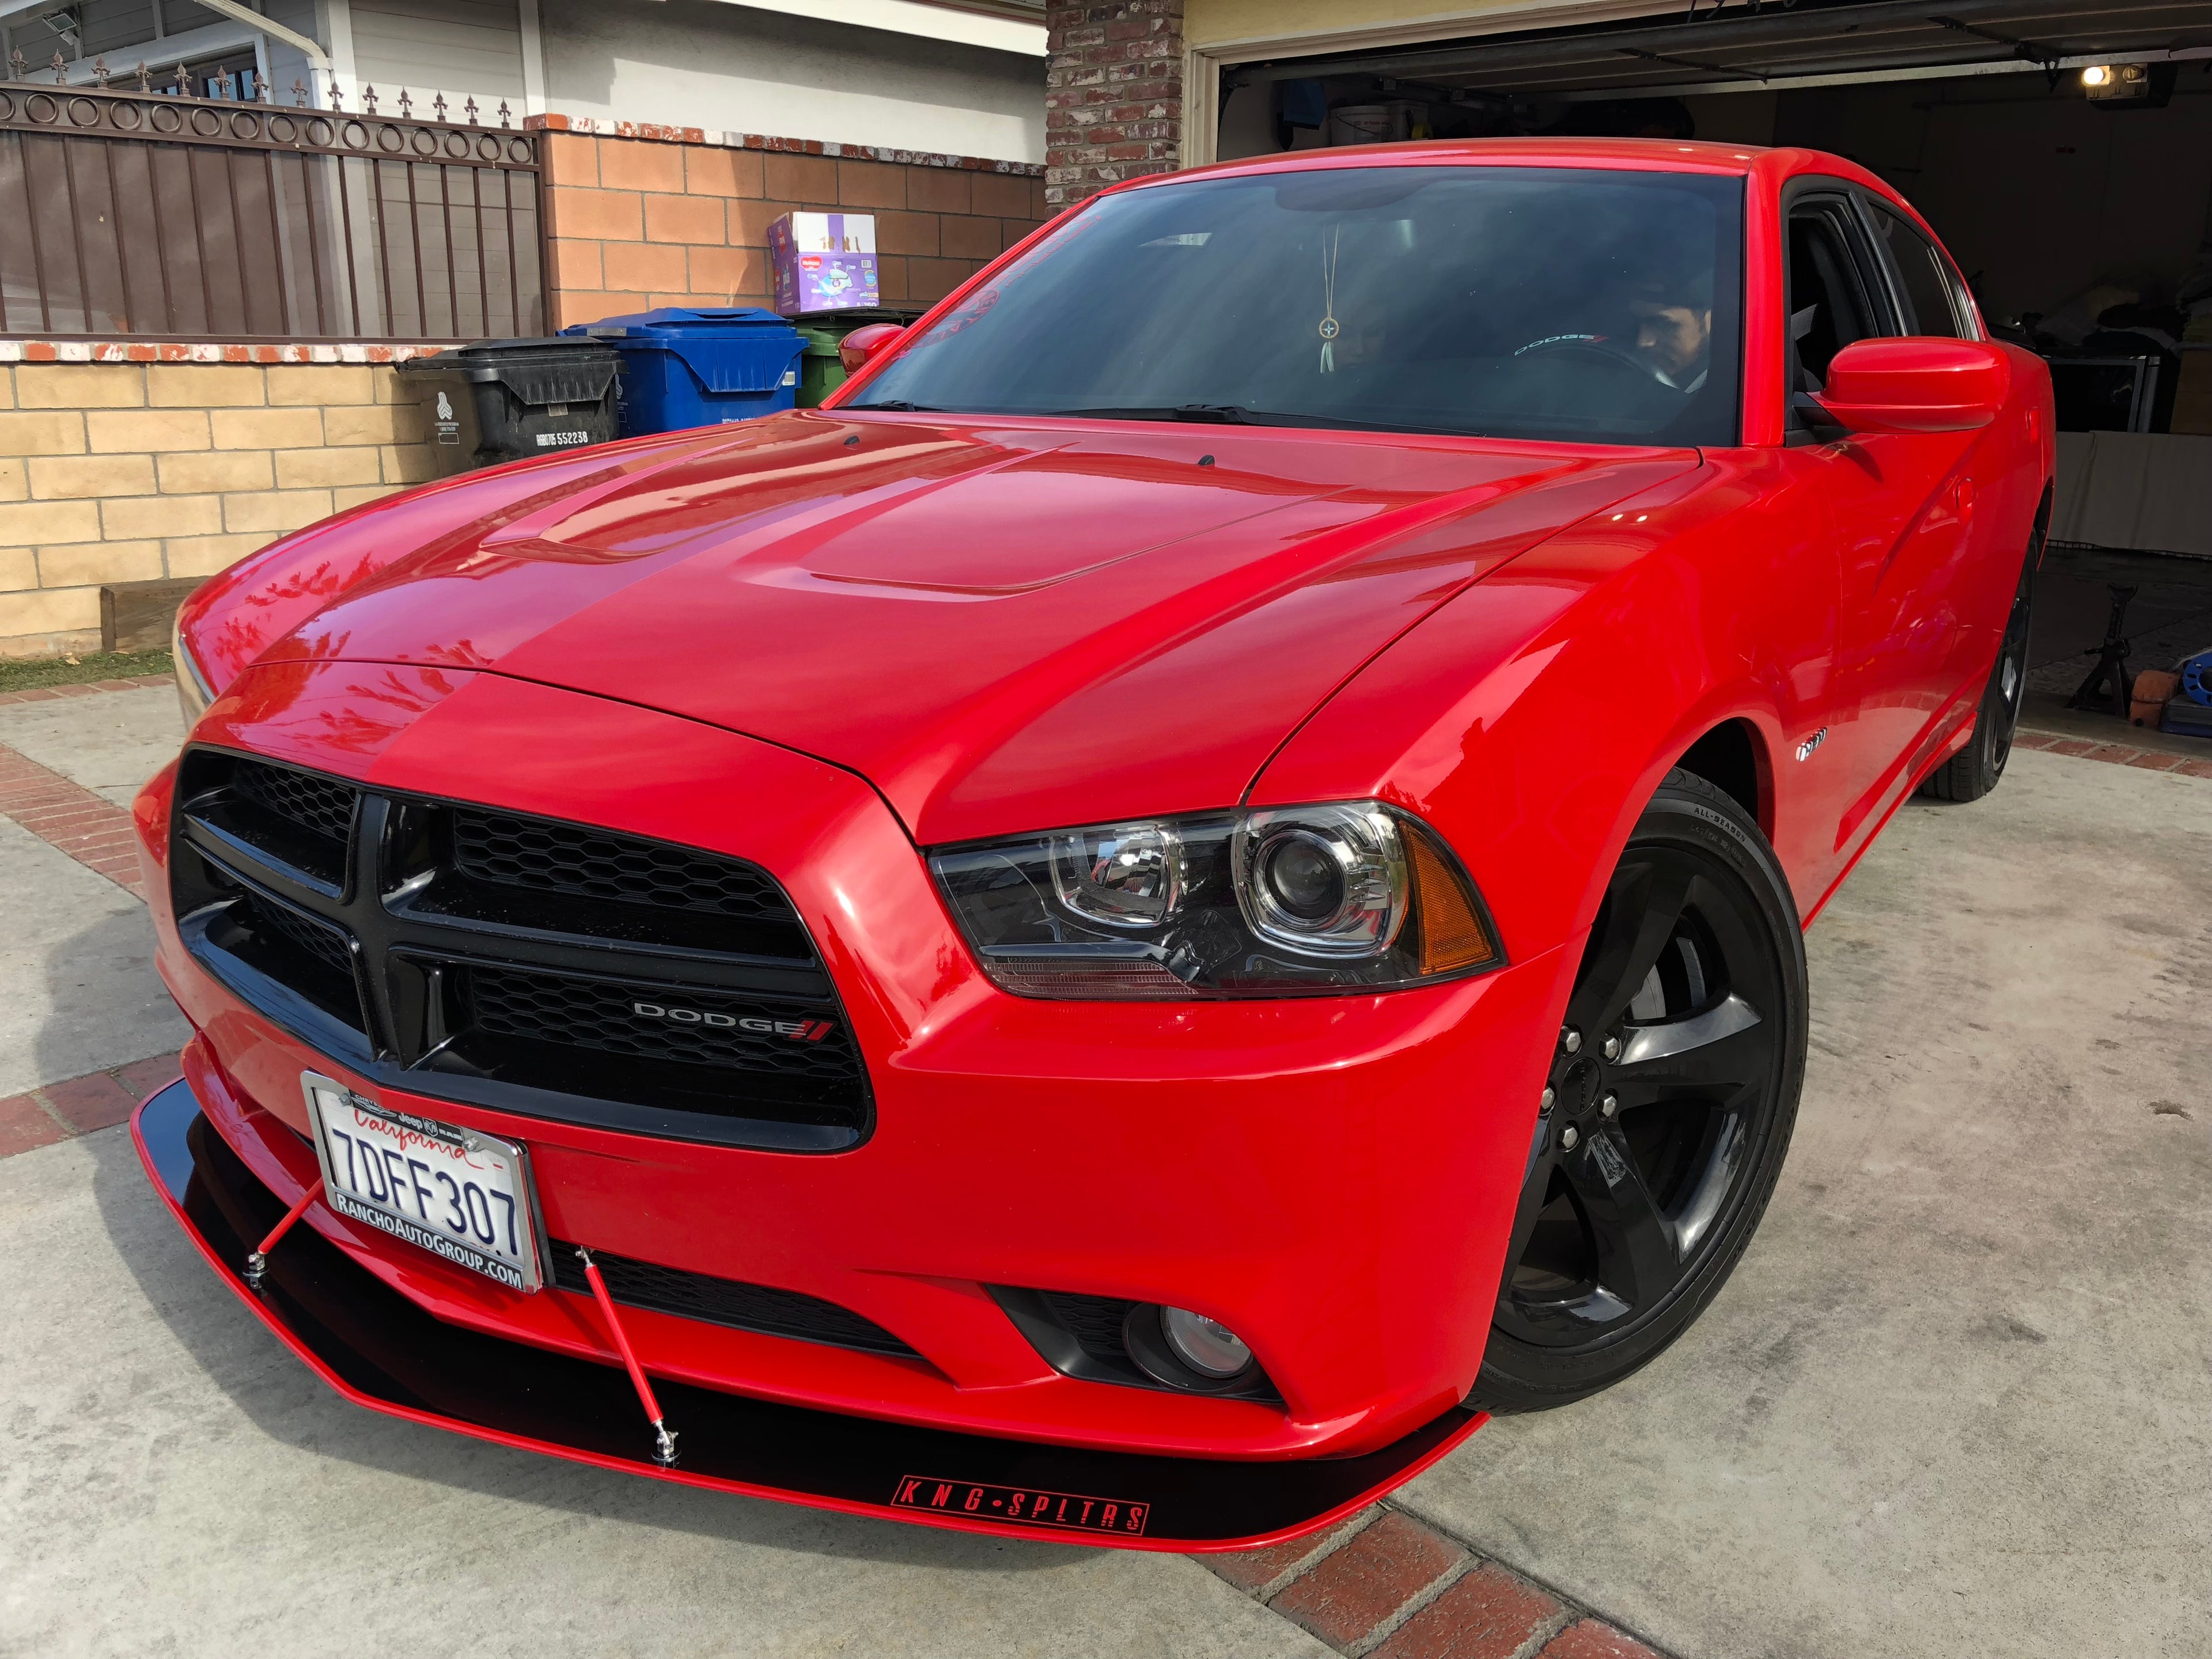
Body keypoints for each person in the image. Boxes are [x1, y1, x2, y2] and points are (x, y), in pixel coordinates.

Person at [1628, 267, 1714, 394]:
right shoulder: (1623, 383)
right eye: (1635, 326)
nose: (1643, 342)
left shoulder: (1737, 391)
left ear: (1709, 321)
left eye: (1665, 325)